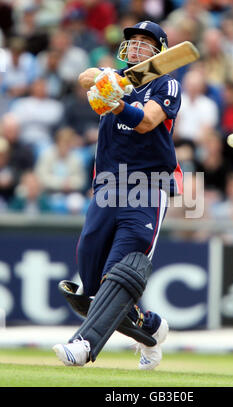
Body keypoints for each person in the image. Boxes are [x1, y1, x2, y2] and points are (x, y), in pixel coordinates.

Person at [52, 21, 183, 370]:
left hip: (146, 188)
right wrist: (107, 82)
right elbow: (85, 76)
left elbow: (146, 121)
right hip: (106, 188)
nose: (137, 47)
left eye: (146, 42)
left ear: (160, 51)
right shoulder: (117, 77)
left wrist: (115, 103)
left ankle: (83, 345)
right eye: (134, 41)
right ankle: (153, 329)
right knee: (91, 289)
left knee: (119, 275)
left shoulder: (166, 82)